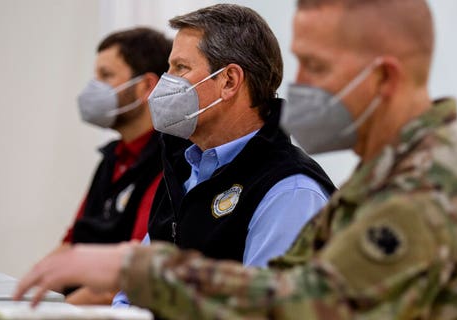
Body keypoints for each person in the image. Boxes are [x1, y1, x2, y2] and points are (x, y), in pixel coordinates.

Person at [14, 0, 457, 319]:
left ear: (386, 78)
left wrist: (132, 268)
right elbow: (287, 283)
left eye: (316, 66)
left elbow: (302, 308)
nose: (299, 85)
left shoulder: (431, 187)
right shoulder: (391, 172)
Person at [111, 4, 336, 307]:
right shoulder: (184, 168)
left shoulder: (290, 190)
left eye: (180, 68)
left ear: (229, 81)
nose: (163, 85)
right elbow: (133, 292)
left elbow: (267, 312)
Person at [53, 27, 172, 305]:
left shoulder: (168, 163)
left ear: (146, 86)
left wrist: (60, 311)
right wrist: (21, 298)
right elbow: (70, 244)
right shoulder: (112, 158)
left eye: (106, 76)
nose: (94, 88)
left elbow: (127, 276)